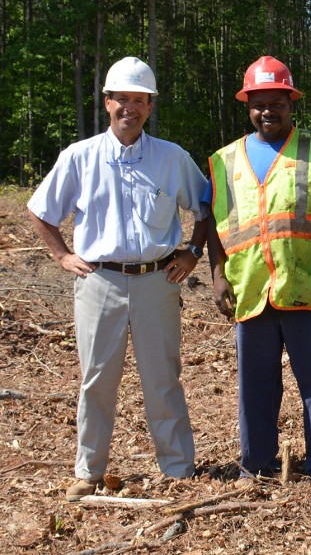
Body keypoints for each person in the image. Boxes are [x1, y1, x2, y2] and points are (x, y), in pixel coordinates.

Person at [27, 57, 208, 501]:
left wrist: (192, 252)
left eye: (139, 100)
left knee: (163, 377)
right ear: (107, 103)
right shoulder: (80, 157)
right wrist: (63, 255)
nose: (130, 107)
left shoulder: (171, 159)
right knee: (96, 379)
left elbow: (207, 204)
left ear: (150, 106)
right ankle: (88, 470)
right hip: (99, 282)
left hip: (156, 282)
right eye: (121, 99)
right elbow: (40, 210)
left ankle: (178, 468)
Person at [205, 56, 311, 492]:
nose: (268, 111)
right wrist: (217, 274)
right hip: (251, 288)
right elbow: (213, 223)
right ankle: (254, 466)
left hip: (309, 286)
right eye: (259, 104)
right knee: (255, 386)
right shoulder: (222, 161)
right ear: (247, 106)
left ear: (292, 103)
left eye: (277, 102)